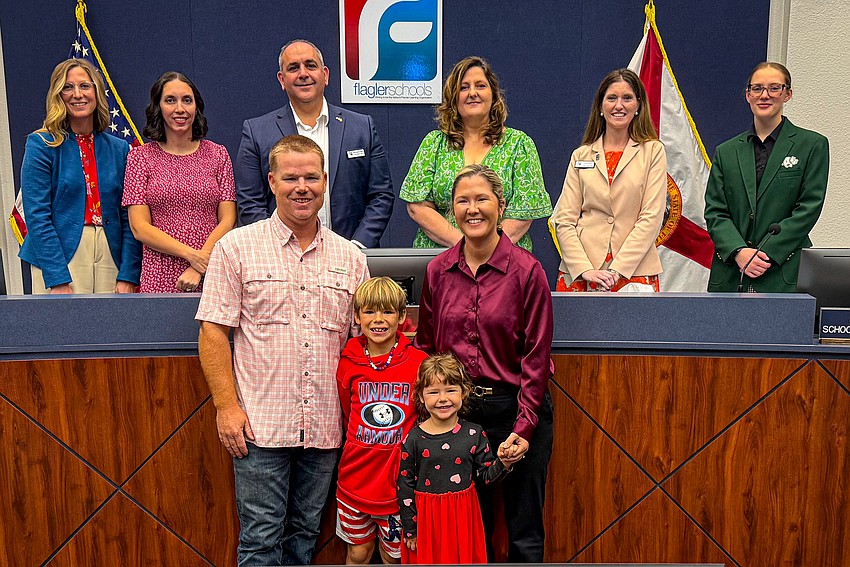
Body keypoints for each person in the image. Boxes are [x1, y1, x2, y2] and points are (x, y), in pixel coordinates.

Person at [196, 135, 369, 566]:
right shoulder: (236, 247)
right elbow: (213, 332)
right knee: (260, 541)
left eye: (311, 177)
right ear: (271, 181)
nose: (301, 186)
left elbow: (360, 344)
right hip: (259, 428)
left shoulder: (351, 258)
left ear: (326, 182)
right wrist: (225, 407)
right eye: (290, 177)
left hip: (327, 428)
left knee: (305, 538)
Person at [413, 164, 554, 562]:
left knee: (523, 529)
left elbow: (537, 358)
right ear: (452, 210)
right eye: (463, 201)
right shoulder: (437, 271)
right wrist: (429, 421)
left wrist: (524, 429)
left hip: (517, 412)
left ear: (501, 205)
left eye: (482, 199)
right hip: (457, 417)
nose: (472, 209)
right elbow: (427, 350)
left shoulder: (528, 272)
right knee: (469, 529)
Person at [236, 39, 393, 248]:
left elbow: (381, 195)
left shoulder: (361, 127)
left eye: (310, 65)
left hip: (350, 256)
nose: (303, 74)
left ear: (325, 75)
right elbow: (250, 203)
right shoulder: (257, 132)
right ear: (282, 80)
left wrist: (357, 246)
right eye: (293, 68)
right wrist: (276, 248)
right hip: (281, 260)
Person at [400, 56, 552, 252]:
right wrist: (464, 247)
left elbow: (523, 211)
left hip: (503, 259)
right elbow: (417, 206)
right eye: (464, 88)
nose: (472, 93)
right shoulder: (434, 144)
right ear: (454, 98)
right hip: (442, 258)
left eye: (480, 85)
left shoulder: (519, 145)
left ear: (494, 95)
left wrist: (489, 250)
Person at [19, 58, 141, 294]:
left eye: (85, 86)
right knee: (62, 330)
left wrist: (128, 273)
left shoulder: (120, 149)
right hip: (61, 255)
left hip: (110, 253)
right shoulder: (41, 144)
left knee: (112, 330)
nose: (77, 94)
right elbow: (37, 216)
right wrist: (57, 277)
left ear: (96, 92)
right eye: (68, 87)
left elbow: (129, 217)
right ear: (58, 95)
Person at [704, 62, 829, 292]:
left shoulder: (812, 145)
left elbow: (808, 207)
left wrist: (768, 252)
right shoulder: (726, 151)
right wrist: (739, 252)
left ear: (787, 94)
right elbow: (715, 211)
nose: (765, 95)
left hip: (783, 273)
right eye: (757, 88)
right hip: (732, 273)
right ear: (747, 95)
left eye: (774, 88)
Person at [336, 276, 427, 565]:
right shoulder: (347, 363)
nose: (378, 319)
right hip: (355, 481)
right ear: (356, 316)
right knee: (358, 553)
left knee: (396, 558)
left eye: (387, 312)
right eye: (370, 311)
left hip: (400, 487)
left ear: (402, 317)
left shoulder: (419, 363)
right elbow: (347, 414)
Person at [550, 68, 667, 292]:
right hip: (581, 273)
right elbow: (564, 220)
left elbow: (651, 217)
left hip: (634, 272)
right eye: (611, 98)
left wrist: (618, 270)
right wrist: (584, 268)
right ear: (601, 107)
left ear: (638, 106)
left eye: (627, 98)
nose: (619, 105)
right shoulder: (581, 155)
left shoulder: (653, 152)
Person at [123, 72, 236, 293]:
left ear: (196, 107)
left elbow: (228, 219)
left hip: (212, 270)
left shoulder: (218, 154)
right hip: (159, 276)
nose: (180, 109)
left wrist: (200, 266)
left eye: (187, 100)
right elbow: (139, 227)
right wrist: (191, 256)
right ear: (158, 107)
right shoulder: (140, 157)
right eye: (170, 100)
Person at [397, 353, 512, 565]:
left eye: (451, 390)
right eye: (434, 392)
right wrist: (410, 529)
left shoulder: (474, 434)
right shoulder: (413, 438)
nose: (443, 398)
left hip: (463, 519)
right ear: (421, 396)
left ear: (463, 392)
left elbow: (486, 476)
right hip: (426, 522)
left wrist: (504, 463)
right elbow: (405, 484)